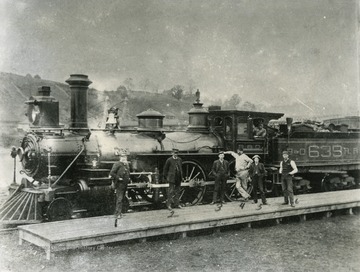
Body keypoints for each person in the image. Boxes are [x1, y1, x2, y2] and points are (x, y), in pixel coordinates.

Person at [109, 151, 131, 223]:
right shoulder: (117, 164)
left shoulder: (126, 165)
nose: (124, 158)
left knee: (122, 198)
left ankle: (120, 212)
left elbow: (128, 173)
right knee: (119, 199)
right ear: (120, 158)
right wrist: (118, 178)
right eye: (123, 157)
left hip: (125, 184)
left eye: (125, 157)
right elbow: (112, 173)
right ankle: (117, 214)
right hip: (119, 184)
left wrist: (129, 179)